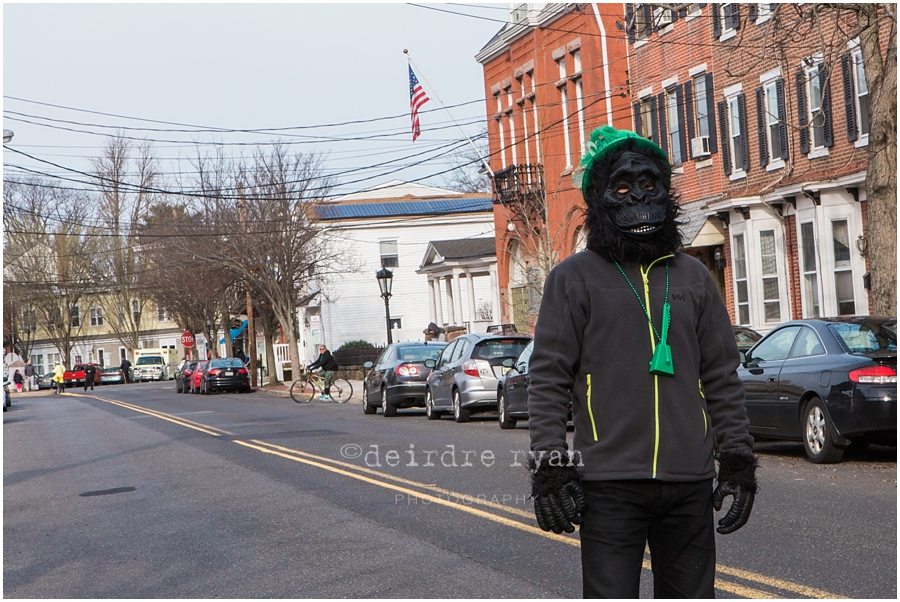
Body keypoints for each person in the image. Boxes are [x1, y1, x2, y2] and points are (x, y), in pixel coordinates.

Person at [526, 126, 757, 598]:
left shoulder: (693, 276)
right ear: (599, 198)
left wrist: (736, 458)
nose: (638, 199)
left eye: (649, 186)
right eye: (623, 188)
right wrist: (550, 465)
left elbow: (721, 376)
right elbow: (548, 377)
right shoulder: (573, 279)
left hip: (689, 481)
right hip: (609, 483)